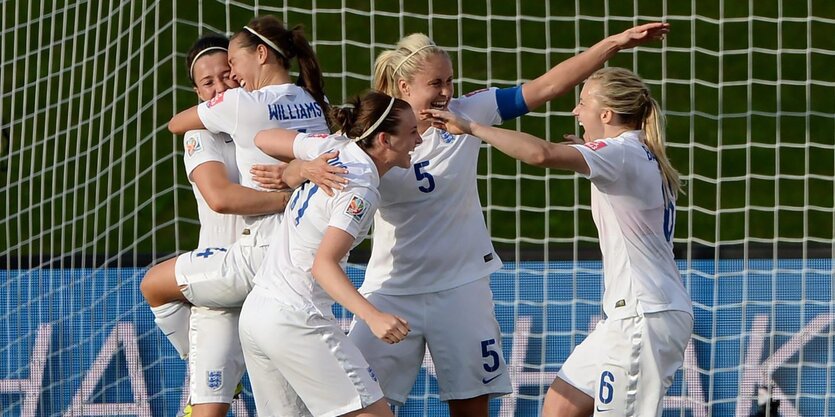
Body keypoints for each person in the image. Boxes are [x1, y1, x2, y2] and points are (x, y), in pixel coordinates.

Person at [301, 23, 671, 417]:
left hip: (462, 289)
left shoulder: (466, 112)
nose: (446, 91)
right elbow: (302, 152)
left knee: (472, 407)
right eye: (436, 83)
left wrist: (612, 43)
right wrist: (301, 170)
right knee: (358, 404)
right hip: (392, 290)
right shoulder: (374, 133)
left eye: (450, 81)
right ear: (405, 87)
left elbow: (545, 88)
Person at [421, 66, 694, 417]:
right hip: (631, 315)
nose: (575, 112)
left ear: (606, 114)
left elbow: (542, 154)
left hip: (643, 316)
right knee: (561, 406)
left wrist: (472, 128)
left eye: (582, 104)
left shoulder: (620, 153)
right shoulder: (634, 151)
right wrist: (588, 152)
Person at [153, 15, 331, 414]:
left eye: (227, 72)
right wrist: (293, 193)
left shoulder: (247, 107)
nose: (221, 85)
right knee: (211, 407)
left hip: (271, 265)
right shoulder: (203, 131)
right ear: (196, 91)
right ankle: (198, 361)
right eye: (207, 83)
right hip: (224, 271)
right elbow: (220, 197)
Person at [237, 90, 420, 417]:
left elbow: (263, 138)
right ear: (384, 140)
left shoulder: (332, 147)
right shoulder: (360, 188)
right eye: (412, 133)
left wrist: (304, 168)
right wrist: (373, 316)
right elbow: (324, 265)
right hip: (296, 319)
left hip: (257, 313)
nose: (418, 140)